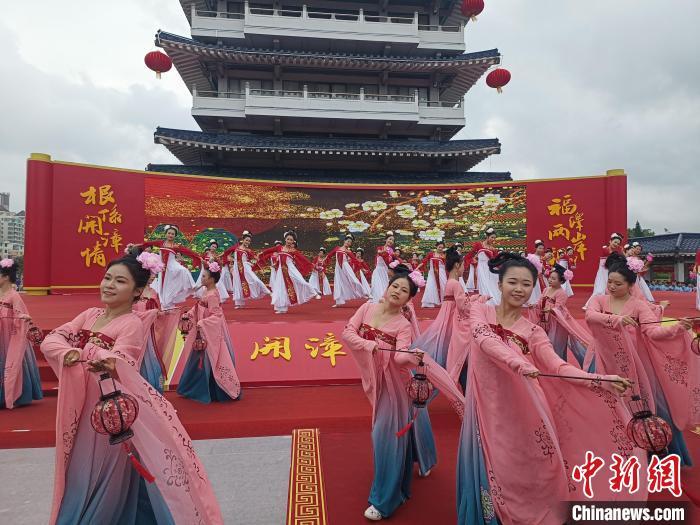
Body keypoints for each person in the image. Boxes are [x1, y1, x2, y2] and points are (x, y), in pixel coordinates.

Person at [457, 253, 644, 525]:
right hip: (483, 409)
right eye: (512, 282)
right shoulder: (480, 310)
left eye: (526, 284)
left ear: (533, 287)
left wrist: (600, 380)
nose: (519, 289)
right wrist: (519, 363)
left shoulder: (533, 332)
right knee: (485, 469)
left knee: (519, 468)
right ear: (499, 285)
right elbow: (484, 338)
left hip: (520, 408)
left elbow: (557, 367)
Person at [41, 253, 224, 524]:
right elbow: (52, 339)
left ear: (137, 290)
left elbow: (122, 360)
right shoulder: (89, 315)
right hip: (78, 406)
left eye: (120, 281)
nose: (109, 285)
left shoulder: (131, 324)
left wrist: (81, 351)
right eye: (107, 278)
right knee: (76, 469)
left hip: (108, 411)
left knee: (101, 473)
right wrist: (74, 353)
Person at [342, 271, 463, 521]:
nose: (397, 291)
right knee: (408, 423)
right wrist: (369, 345)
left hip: (396, 385)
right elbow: (348, 333)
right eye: (394, 286)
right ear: (387, 287)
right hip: (374, 380)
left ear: (408, 299)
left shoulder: (403, 325)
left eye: (403, 290)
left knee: (383, 436)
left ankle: (385, 498)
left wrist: (414, 356)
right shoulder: (366, 308)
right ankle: (424, 457)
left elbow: (399, 357)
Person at [584, 252, 697, 465]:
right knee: (608, 405)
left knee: (645, 406)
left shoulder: (638, 305)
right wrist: (617, 320)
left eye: (618, 283)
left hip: (636, 363)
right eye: (610, 282)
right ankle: (615, 450)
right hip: (604, 359)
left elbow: (653, 332)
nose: (612, 287)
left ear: (630, 285)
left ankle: (650, 450)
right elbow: (591, 316)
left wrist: (678, 327)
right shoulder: (599, 300)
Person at [173, 261, 242, 403]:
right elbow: (199, 307)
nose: (202, 278)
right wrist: (189, 315)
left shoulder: (212, 295)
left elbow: (216, 316)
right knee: (200, 359)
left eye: (204, 276)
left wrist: (202, 323)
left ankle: (212, 390)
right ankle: (196, 389)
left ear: (211, 279)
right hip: (204, 331)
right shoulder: (207, 291)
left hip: (208, 332)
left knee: (209, 360)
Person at [527, 264, 592, 370]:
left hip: (558, 324)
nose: (550, 280)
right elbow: (540, 303)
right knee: (545, 343)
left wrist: (551, 310)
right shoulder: (546, 290)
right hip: (545, 321)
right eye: (550, 278)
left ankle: (560, 367)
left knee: (557, 346)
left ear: (561, 281)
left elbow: (559, 308)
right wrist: (533, 305)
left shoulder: (561, 293)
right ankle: (547, 365)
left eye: (553, 278)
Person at [0, 257, 43, 409]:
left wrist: (22, 318)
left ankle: (18, 395)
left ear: (5, 277)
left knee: (12, 362)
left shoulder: (14, 295)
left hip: (10, 335)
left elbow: (22, 314)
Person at [131, 251, 169, 393]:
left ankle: (153, 393)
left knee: (152, 361)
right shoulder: (134, 291)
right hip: (135, 333)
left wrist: (162, 314)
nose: (153, 277)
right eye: (151, 274)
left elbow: (157, 312)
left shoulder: (153, 292)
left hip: (150, 335)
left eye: (155, 274)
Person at [138, 225, 201, 309]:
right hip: (162, 269)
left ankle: (170, 302)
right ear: (166, 234)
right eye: (169, 233)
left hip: (172, 269)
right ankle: (165, 304)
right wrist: (137, 245)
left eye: (172, 234)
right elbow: (148, 243)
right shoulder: (161, 243)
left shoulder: (176, 246)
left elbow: (189, 252)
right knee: (162, 287)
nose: (170, 235)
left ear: (175, 236)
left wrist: (198, 257)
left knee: (182, 272)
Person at [259, 231, 320, 314]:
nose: (289, 241)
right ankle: (281, 308)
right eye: (288, 239)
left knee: (301, 281)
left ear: (293, 241)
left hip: (291, 269)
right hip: (281, 271)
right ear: (285, 239)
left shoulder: (293, 250)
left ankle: (313, 292)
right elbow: (269, 250)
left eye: (291, 240)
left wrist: (312, 266)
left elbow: (303, 259)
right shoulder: (279, 248)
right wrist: (261, 254)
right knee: (280, 288)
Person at [222, 231, 271, 309]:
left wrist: (259, 258)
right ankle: (239, 303)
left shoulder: (249, 251)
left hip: (245, 267)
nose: (247, 242)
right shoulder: (236, 247)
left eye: (249, 241)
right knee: (237, 283)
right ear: (243, 240)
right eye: (246, 240)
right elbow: (226, 253)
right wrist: (229, 260)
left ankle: (265, 290)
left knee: (254, 279)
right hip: (236, 268)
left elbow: (255, 258)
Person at [583, 232, 623, 309]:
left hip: (609, 272)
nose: (616, 244)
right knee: (600, 288)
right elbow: (609, 254)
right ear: (610, 241)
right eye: (615, 242)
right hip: (602, 272)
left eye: (618, 244)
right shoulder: (605, 248)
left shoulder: (615, 253)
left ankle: (604, 306)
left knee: (608, 289)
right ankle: (590, 305)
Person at [327, 234, 367, 307]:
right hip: (338, 268)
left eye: (350, 242)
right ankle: (338, 302)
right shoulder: (337, 248)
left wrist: (361, 268)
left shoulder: (348, 251)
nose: (348, 243)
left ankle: (364, 293)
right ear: (344, 241)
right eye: (348, 241)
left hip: (346, 266)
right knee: (338, 283)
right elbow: (330, 255)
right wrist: (325, 260)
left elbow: (355, 260)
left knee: (353, 279)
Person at [464, 227, 500, 303]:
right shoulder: (478, 245)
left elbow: (496, 261)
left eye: (494, 238)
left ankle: (491, 300)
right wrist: (470, 260)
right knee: (483, 284)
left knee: (490, 284)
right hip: (481, 268)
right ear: (487, 237)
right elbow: (471, 254)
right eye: (492, 237)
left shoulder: (493, 249)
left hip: (489, 268)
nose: (493, 239)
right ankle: (484, 301)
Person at [418, 241, 447, 308]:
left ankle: (444, 302)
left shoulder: (444, 255)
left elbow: (446, 264)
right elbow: (424, 261)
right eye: (439, 247)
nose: (440, 249)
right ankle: (428, 302)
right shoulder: (431, 254)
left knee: (444, 286)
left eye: (442, 248)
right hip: (432, 274)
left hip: (442, 273)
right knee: (430, 286)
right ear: (436, 246)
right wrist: (417, 267)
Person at [370, 232, 396, 303]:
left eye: (392, 240)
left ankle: (384, 299)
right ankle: (377, 299)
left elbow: (390, 260)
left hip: (384, 271)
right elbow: (379, 252)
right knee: (376, 284)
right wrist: (383, 252)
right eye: (390, 239)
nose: (391, 241)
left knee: (384, 285)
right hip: (378, 270)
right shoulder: (380, 247)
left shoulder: (391, 251)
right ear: (386, 239)